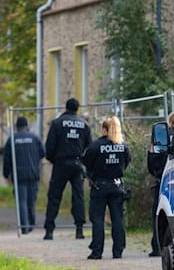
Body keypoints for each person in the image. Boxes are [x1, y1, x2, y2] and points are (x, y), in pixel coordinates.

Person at [82, 116, 131, 260]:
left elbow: (86, 162)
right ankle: (118, 251)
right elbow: (126, 163)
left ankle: (97, 251)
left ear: (104, 129)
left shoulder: (95, 146)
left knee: (97, 219)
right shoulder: (123, 146)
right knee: (117, 219)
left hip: (99, 186)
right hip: (117, 186)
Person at [43, 98, 92, 240]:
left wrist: (54, 160)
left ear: (66, 107)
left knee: (54, 196)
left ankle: (49, 230)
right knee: (78, 196)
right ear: (77, 109)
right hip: (78, 164)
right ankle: (79, 229)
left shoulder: (57, 123)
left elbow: (50, 146)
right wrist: (84, 163)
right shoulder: (84, 125)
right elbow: (89, 148)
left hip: (61, 164)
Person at [4, 116, 45, 235]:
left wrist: (6, 174)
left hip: (18, 175)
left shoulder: (12, 139)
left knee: (21, 201)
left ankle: (24, 226)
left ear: (17, 126)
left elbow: (7, 159)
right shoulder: (35, 137)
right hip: (33, 173)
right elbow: (43, 153)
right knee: (31, 200)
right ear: (27, 126)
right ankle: (31, 224)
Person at [146, 110, 174, 257]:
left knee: (158, 215)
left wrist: (157, 173)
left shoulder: (161, 138)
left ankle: (157, 246)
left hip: (162, 180)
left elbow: (151, 161)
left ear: (169, 123)